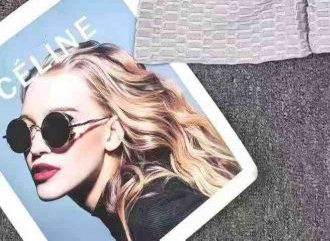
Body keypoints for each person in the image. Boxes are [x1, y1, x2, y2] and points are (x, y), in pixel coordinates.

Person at [3, 41, 240, 241]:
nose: (35, 149)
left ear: (113, 133)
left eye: (56, 127)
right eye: (22, 133)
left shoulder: (156, 219)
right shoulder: (140, 211)